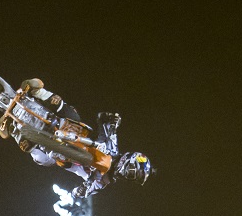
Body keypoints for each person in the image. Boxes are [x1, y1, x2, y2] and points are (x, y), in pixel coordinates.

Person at [12, 78, 153, 201]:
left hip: (68, 160)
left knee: (42, 159)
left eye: (131, 176)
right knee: (71, 113)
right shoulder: (112, 146)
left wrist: (79, 192)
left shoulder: (103, 181)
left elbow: (84, 192)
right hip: (77, 135)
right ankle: (38, 91)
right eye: (132, 171)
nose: (128, 174)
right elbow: (105, 123)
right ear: (131, 159)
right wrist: (112, 120)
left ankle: (15, 133)